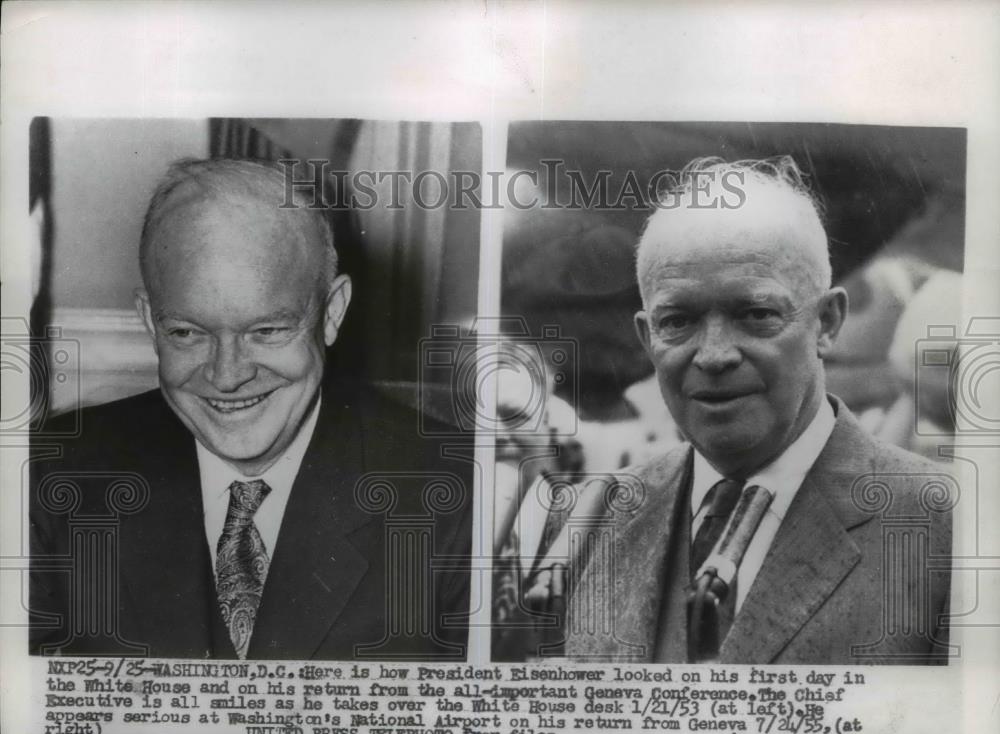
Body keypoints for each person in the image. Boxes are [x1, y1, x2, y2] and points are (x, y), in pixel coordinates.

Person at [30, 158, 471, 661]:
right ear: (150, 323)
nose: (226, 374)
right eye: (186, 333)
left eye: (266, 331)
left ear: (331, 313)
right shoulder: (46, 477)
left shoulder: (459, 497)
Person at [521, 157, 953, 665]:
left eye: (756, 315)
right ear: (647, 337)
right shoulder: (583, 524)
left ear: (827, 322)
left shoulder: (950, 528)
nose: (713, 355)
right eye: (678, 320)